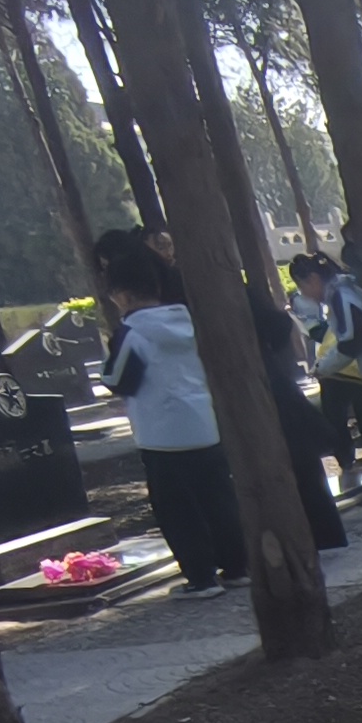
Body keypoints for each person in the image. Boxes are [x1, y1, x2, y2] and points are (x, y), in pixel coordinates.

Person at [102, 236, 251, 594]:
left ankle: (200, 577)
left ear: (122, 295)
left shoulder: (132, 331)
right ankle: (236, 567)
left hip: (162, 434)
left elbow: (117, 378)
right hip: (203, 422)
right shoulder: (187, 318)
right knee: (219, 500)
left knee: (178, 510)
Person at [252, 305, 348, 551]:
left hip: (271, 390)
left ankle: (322, 536)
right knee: (306, 471)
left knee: (301, 469)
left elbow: (279, 322)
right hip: (277, 386)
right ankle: (326, 536)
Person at [292, 251, 362, 480]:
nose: (304, 293)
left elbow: (350, 341)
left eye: (302, 286)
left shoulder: (341, 294)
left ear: (313, 279)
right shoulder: (342, 291)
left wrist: (323, 367)